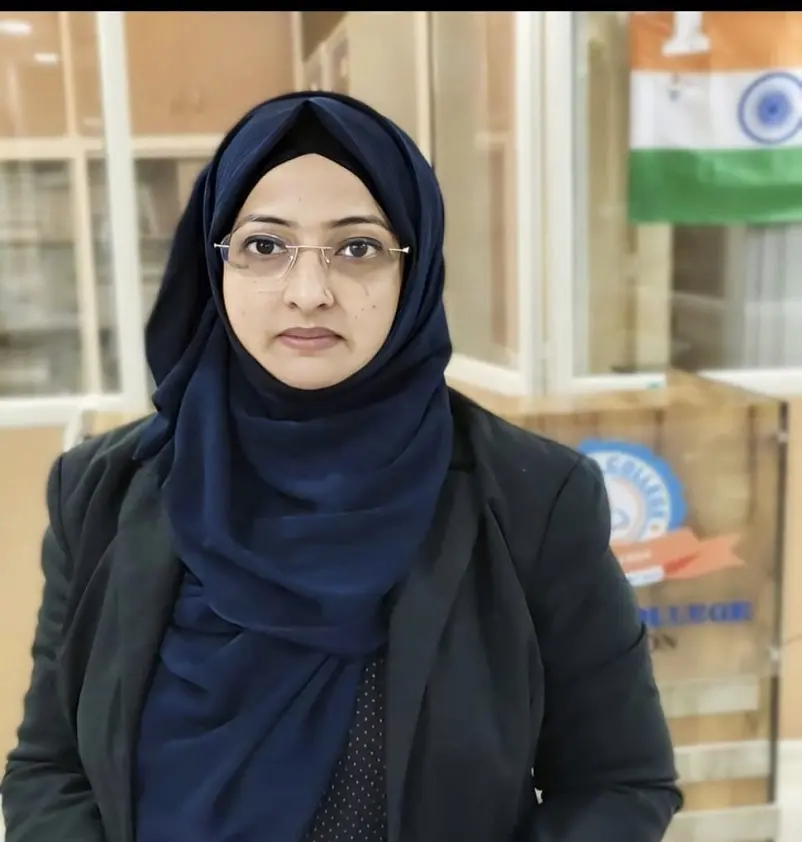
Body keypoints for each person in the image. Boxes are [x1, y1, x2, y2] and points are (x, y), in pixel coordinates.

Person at [1, 91, 681, 842]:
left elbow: (620, 781)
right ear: (214, 264)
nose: (309, 293)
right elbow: (50, 769)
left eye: (357, 248)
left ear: (413, 269)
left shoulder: (533, 501)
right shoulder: (101, 492)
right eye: (265, 247)